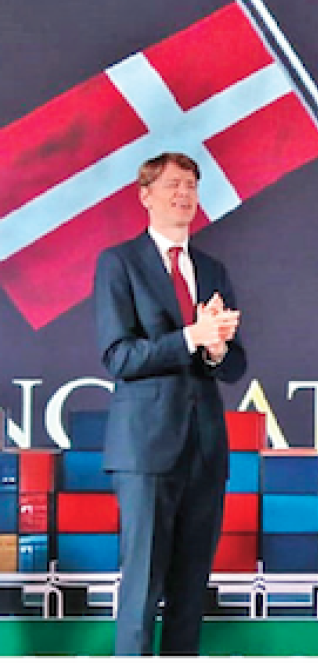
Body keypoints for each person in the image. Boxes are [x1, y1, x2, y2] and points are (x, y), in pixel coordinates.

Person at [94, 152, 246, 655]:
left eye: (191, 186)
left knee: (190, 591)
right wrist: (189, 337)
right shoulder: (120, 263)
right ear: (146, 196)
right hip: (146, 450)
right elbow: (119, 356)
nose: (184, 195)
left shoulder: (213, 269)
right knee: (141, 586)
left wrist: (217, 348)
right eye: (173, 185)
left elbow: (234, 365)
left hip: (204, 448)